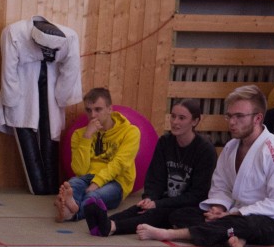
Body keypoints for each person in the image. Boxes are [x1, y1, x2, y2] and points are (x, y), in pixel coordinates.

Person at [138, 86, 274, 247]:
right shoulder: (230, 147)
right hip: (231, 214)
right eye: (229, 116)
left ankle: (172, 234)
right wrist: (219, 207)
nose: (232, 122)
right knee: (180, 214)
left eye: (239, 116)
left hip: (272, 220)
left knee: (247, 224)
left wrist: (236, 213)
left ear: (257, 118)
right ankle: (234, 236)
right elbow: (220, 186)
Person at [83, 99, 216, 237]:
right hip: (164, 199)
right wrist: (149, 198)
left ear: (194, 121)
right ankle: (104, 222)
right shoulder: (165, 142)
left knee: (158, 214)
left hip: (189, 206)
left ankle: (112, 227)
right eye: (173, 116)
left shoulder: (205, 150)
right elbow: (155, 178)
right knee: (139, 208)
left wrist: (158, 204)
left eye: (182, 118)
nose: (175, 122)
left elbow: (197, 195)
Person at [0, 16, 83, 195]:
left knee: (50, 133)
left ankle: (50, 187)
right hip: (24, 84)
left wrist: (61, 96)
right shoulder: (15, 33)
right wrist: (12, 100)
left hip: (51, 84)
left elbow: (71, 71)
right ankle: (39, 188)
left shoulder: (70, 37)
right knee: (24, 125)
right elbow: (8, 70)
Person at [54, 87, 139, 222]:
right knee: (73, 184)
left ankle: (72, 213)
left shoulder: (131, 132)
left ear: (110, 109)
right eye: (89, 110)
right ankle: (69, 206)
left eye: (98, 109)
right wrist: (87, 136)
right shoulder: (79, 134)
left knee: (93, 196)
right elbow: (79, 171)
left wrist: (97, 183)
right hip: (87, 177)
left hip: (117, 181)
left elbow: (120, 163)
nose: (93, 115)